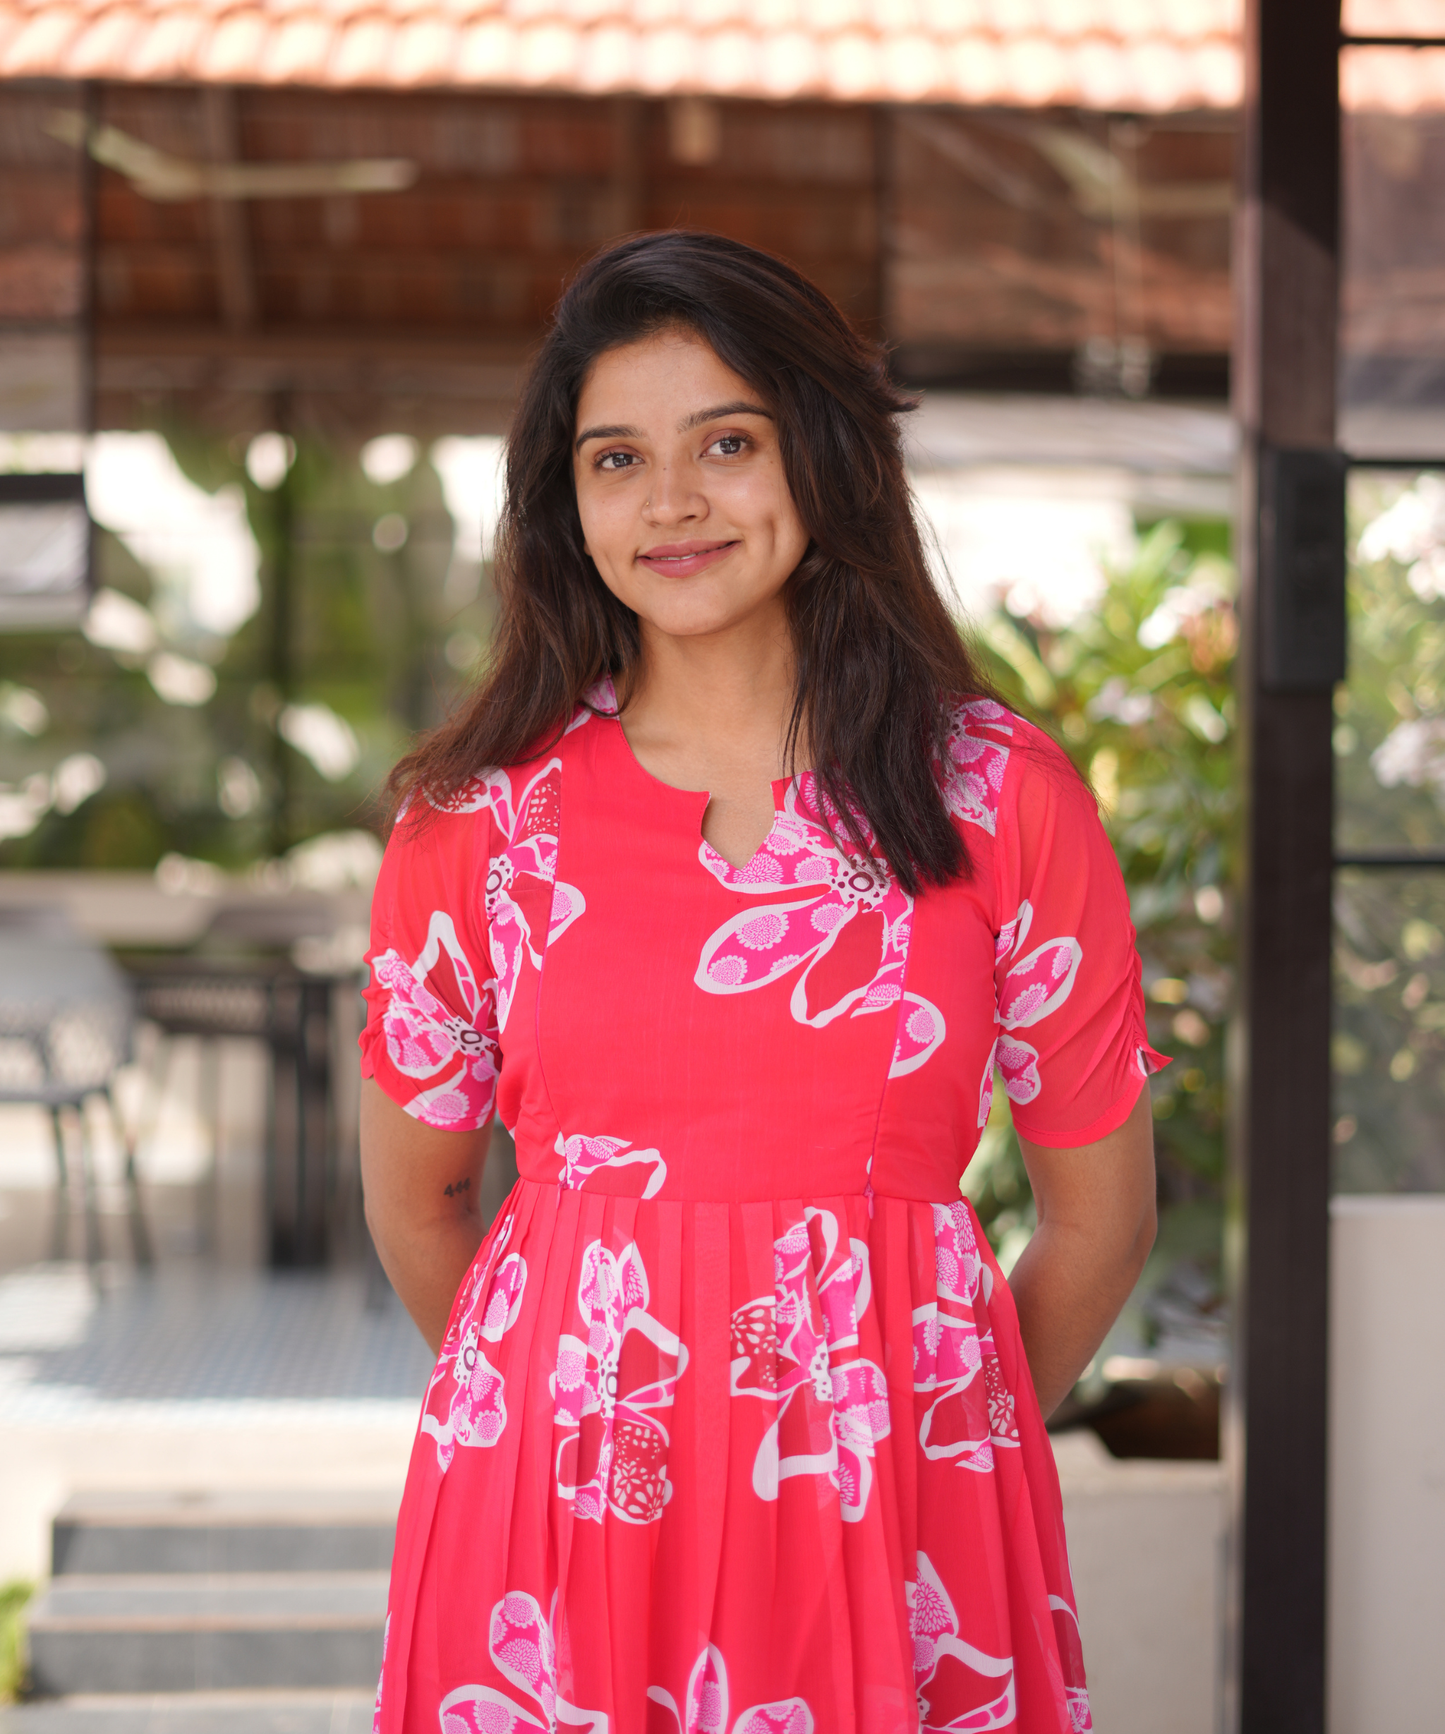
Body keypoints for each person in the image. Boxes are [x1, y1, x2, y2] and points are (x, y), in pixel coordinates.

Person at [359, 230, 1163, 1734]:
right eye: (616, 458)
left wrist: (932, 1439)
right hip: (556, 1520)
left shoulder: (998, 796)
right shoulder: (473, 822)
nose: (671, 499)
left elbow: (1103, 1221)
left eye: (726, 441)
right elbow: (418, 1205)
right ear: (566, 502)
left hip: (903, 1520)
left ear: (826, 454)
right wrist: (575, 1418)